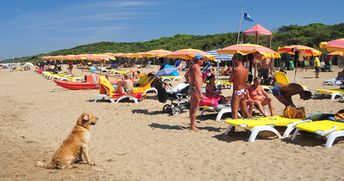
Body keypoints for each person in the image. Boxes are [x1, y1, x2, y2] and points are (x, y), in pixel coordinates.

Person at [184, 54, 204, 131]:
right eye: (201, 59)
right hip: (196, 89)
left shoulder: (192, 66)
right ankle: (192, 126)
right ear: (198, 60)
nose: (203, 60)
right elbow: (196, 81)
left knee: (194, 107)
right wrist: (200, 93)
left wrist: (189, 82)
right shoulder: (196, 67)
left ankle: (192, 124)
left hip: (193, 88)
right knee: (194, 107)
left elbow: (186, 75)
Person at [229, 53, 249, 119]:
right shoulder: (246, 70)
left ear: (236, 59)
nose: (232, 61)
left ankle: (233, 128)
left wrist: (232, 71)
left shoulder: (236, 69)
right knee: (244, 111)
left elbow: (230, 80)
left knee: (234, 111)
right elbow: (246, 81)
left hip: (237, 91)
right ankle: (249, 125)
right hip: (243, 91)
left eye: (233, 59)